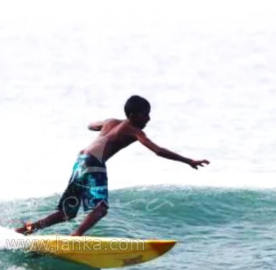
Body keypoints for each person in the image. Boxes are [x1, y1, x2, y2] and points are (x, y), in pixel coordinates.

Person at [15, 95, 209, 236]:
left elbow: (91, 125)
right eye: (145, 115)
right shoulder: (134, 131)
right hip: (94, 161)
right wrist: (189, 161)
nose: (148, 119)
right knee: (101, 208)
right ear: (133, 115)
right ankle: (76, 236)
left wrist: (104, 124)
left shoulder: (111, 122)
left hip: (81, 159)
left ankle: (25, 230)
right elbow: (158, 151)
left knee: (66, 212)